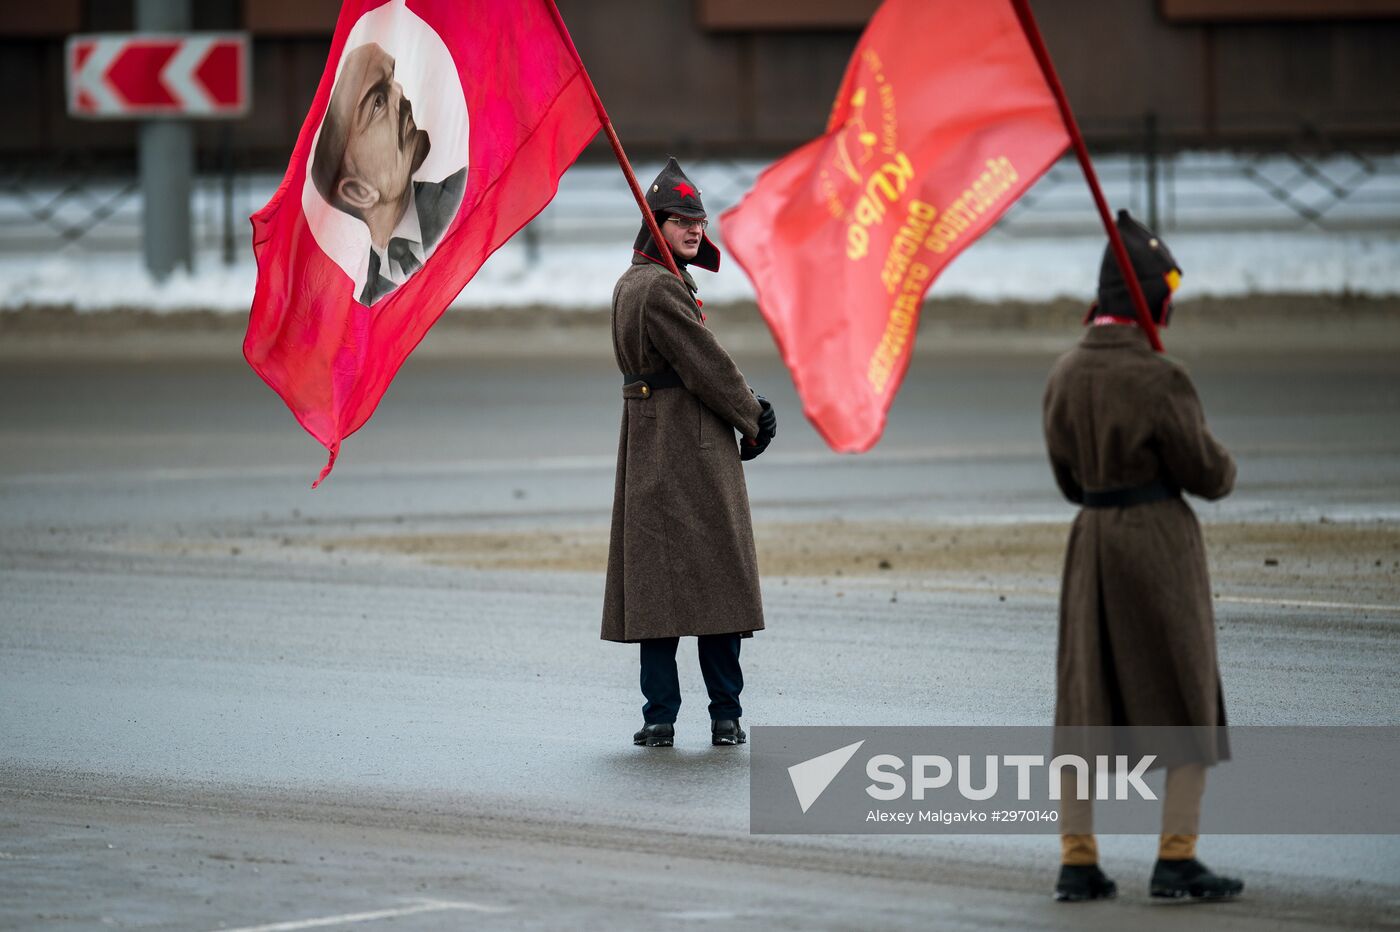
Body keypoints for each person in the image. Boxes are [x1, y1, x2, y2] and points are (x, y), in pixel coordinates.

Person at [1042, 211, 1244, 902]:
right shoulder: (1163, 377)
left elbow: (1066, 478)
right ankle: (1177, 858)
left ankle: (1078, 860)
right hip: (1158, 541)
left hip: (1091, 542)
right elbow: (1210, 475)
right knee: (1186, 699)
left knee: (1083, 703)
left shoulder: (1064, 372)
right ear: (1150, 300)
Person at [602, 158, 777, 749]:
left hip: (654, 446)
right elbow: (706, 364)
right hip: (691, 450)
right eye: (681, 221)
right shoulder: (657, 289)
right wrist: (752, 415)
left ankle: (661, 717)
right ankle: (723, 716)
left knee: (662, 595)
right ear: (657, 226)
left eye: (698, 220)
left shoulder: (637, 283)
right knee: (715, 590)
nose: (694, 230)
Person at [310, 42, 466, 306]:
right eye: (377, 102)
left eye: (391, 80)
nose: (400, 92)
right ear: (358, 191)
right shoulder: (365, 289)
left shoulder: (463, 198)